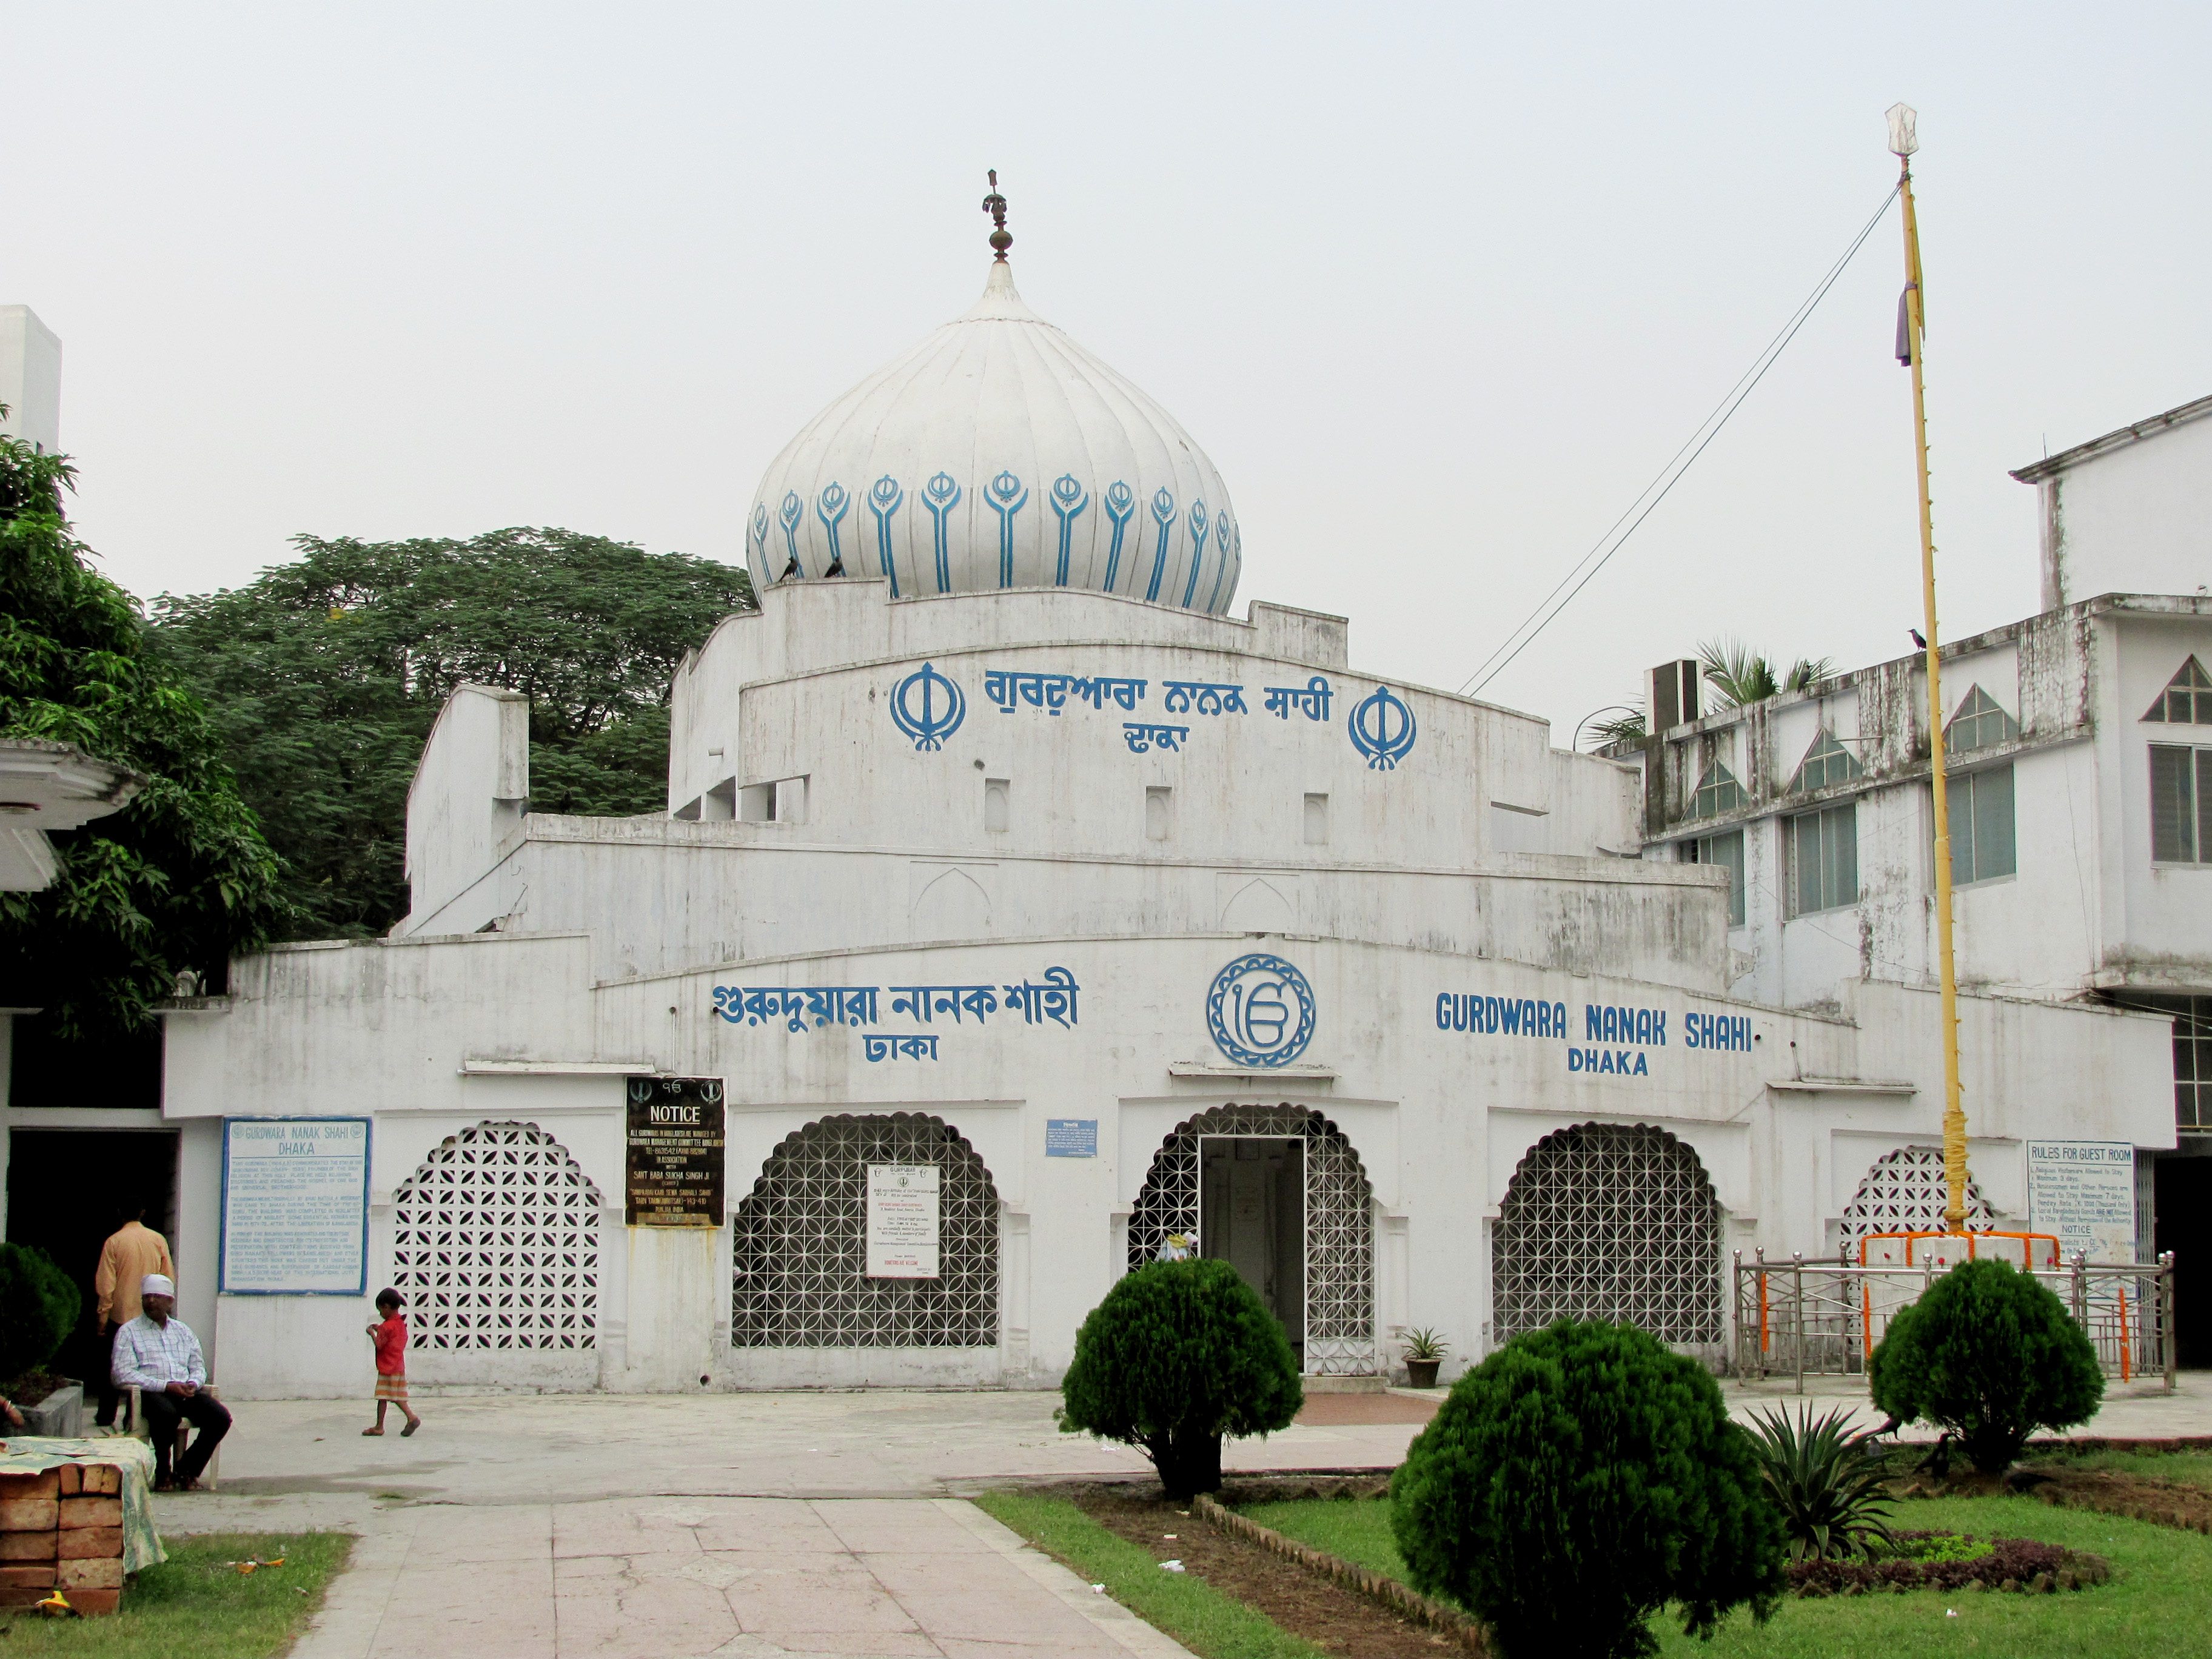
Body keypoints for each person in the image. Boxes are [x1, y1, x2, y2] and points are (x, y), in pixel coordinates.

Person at [111, 1274, 228, 1492]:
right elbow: (122, 1374)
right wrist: (165, 1386)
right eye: (147, 1297)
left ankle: (186, 1470)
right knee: (166, 1414)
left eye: (157, 1297)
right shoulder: (129, 1332)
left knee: (220, 1418)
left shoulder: (182, 1331)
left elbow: (197, 1366)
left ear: (170, 1302)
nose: (151, 1302)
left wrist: (193, 1383)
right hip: (152, 1393)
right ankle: (163, 1472)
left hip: (184, 1391)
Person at [92, 1204, 175, 1431]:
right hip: (149, 1313)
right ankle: (133, 1416)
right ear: (143, 1213)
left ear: (120, 1213)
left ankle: (106, 1416)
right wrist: (164, 1310)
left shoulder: (114, 1242)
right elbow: (167, 1277)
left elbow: (106, 1284)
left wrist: (103, 1315)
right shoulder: (157, 1240)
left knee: (114, 1365)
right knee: (144, 1366)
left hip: (121, 1315)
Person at [362, 1289, 421, 1438]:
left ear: (386, 1307)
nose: (381, 1313)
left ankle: (382, 1426)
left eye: (381, 1309)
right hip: (398, 1365)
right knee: (397, 1396)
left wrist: (373, 1334)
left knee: (384, 1396)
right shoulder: (400, 1323)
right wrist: (380, 1329)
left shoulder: (387, 1327)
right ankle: (408, 1418)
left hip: (387, 1367)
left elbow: (380, 1345)